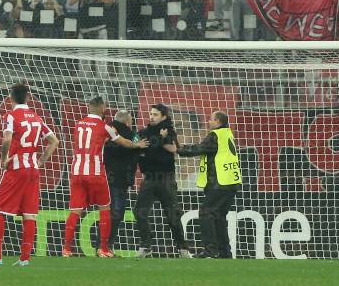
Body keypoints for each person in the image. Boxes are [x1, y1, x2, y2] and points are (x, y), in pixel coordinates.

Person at [0, 83, 60, 266]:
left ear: (11, 98)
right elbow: (54, 141)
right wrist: (42, 161)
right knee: (29, 214)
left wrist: (4, 159)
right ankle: (24, 259)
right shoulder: (37, 118)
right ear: (27, 97)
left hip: (16, 168)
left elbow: (6, 139)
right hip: (33, 170)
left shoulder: (10, 116)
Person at [62, 96, 147, 258]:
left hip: (77, 172)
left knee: (75, 211)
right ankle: (104, 249)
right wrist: (137, 144)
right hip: (95, 173)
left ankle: (66, 249)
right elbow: (123, 142)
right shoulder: (105, 126)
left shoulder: (78, 125)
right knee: (105, 209)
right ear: (102, 108)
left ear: (89, 107)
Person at [177, 111, 241, 259]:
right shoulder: (227, 134)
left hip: (220, 182)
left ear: (218, 121)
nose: (208, 122)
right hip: (231, 182)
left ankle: (210, 251)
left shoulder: (215, 135)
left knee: (206, 213)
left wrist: (179, 150)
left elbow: (200, 148)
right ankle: (225, 252)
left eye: (211, 119)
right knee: (218, 217)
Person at [134, 104, 193, 259]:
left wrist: (150, 147)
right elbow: (137, 145)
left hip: (166, 178)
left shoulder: (170, 131)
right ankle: (146, 245)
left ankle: (183, 249)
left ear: (164, 116)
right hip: (149, 178)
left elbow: (174, 148)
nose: (151, 117)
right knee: (139, 211)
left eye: (155, 114)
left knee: (172, 215)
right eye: (151, 114)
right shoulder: (144, 132)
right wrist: (156, 142)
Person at [103, 110, 140, 251]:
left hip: (103, 176)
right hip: (120, 179)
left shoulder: (106, 129)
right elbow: (141, 146)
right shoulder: (131, 134)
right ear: (127, 122)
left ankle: (103, 245)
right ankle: (107, 245)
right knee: (117, 212)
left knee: (105, 211)